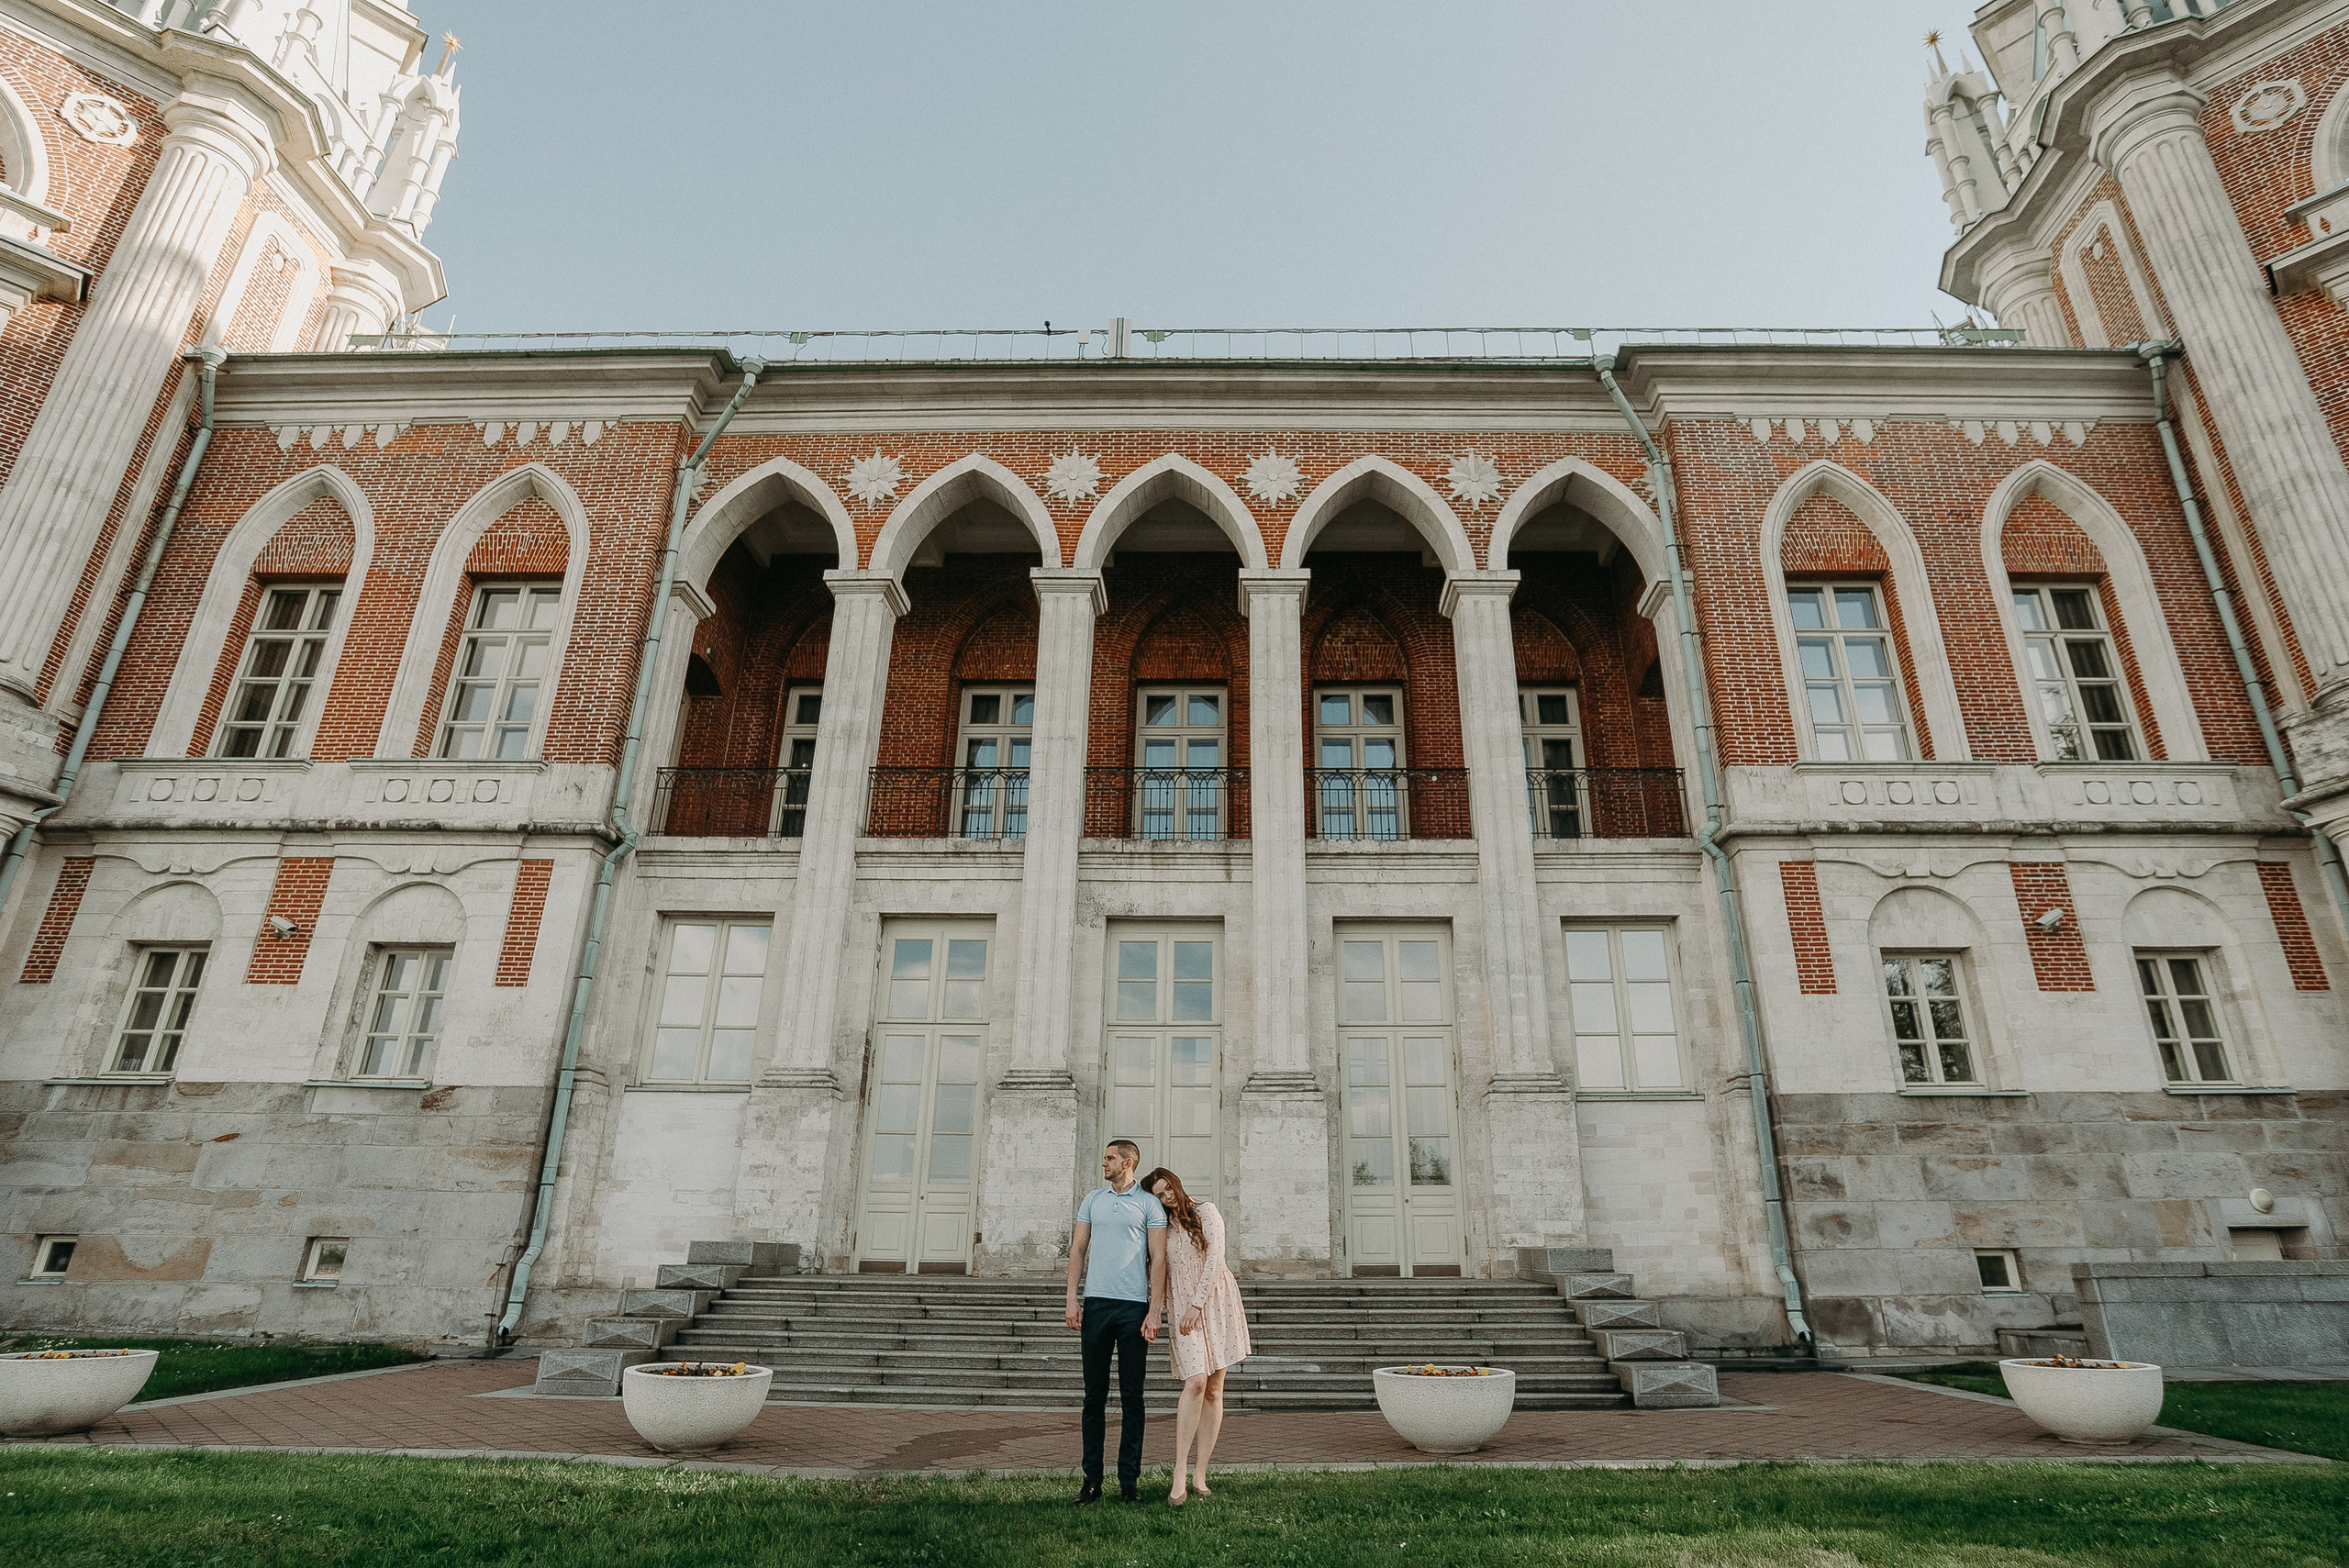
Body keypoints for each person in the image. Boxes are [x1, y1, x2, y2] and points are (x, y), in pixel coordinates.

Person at [1064, 1139, 1166, 1506]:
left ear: (1128, 1162)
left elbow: (1159, 1259)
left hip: (1134, 1309)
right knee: (1094, 1396)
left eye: (1110, 1158)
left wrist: (1155, 1310)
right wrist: (1072, 1298)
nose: (1104, 1163)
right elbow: (1078, 1249)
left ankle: (1129, 1481)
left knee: (1132, 1397)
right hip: (1096, 1306)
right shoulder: (1093, 1200)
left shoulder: (1150, 1204)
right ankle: (1091, 1480)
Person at [1141, 1167, 1250, 1506]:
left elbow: (1215, 1259)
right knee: (1196, 1382)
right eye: (1159, 1195)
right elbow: (1158, 1269)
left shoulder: (1207, 1212)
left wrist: (1197, 1305)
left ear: (1176, 1184)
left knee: (1214, 1388)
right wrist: (1156, 1310)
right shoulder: (1160, 1226)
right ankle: (1179, 1471)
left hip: (1216, 1301)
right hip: (1181, 1307)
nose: (1167, 1197)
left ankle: (1200, 1472)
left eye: (1168, 1189)